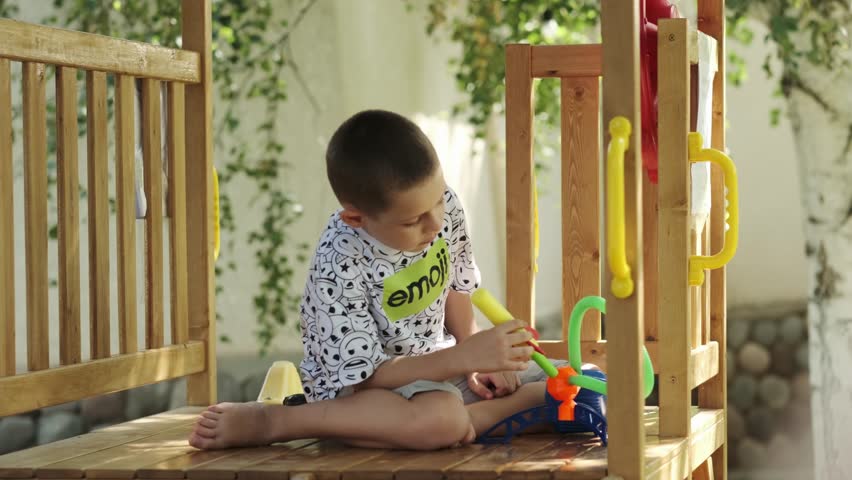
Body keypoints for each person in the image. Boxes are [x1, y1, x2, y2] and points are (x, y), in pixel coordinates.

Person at [188, 109, 565, 451]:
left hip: (440, 368)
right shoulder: (338, 264)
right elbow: (365, 379)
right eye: (412, 220)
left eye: (437, 200)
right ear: (356, 218)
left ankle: (483, 419)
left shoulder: (441, 207)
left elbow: (454, 284)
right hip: (362, 394)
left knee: (581, 382)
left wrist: (476, 359)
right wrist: (461, 357)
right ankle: (275, 420)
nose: (435, 224)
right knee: (442, 419)